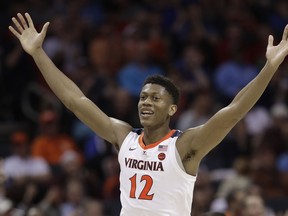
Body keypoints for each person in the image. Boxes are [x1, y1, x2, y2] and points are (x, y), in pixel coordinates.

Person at [8, 12, 288, 216]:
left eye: (155, 98)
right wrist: (38, 54)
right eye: (143, 97)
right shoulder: (123, 136)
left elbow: (234, 112)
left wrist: (269, 68)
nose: (146, 102)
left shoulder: (185, 146)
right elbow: (74, 99)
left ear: (172, 109)